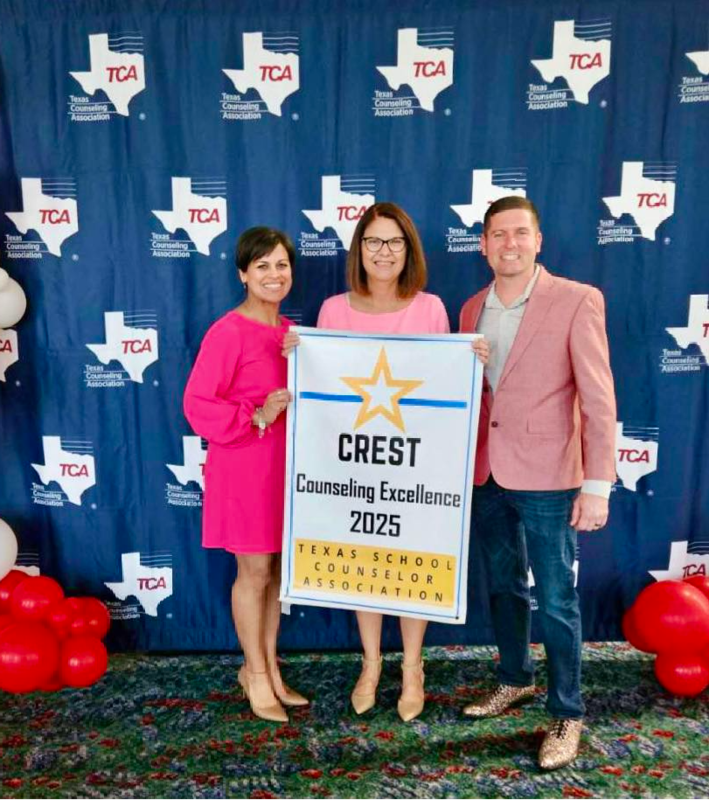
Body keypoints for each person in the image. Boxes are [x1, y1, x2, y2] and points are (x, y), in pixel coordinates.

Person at [311, 202, 487, 722]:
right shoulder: (331, 309)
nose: (383, 252)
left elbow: (443, 385)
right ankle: (371, 664)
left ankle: (413, 666)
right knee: (364, 561)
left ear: (408, 250)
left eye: (394, 243)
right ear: (358, 250)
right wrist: (300, 353)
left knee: (410, 559)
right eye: (373, 242)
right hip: (355, 463)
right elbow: (323, 387)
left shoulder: (431, 307)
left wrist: (469, 360)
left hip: (414, 461)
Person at [458, 196, 616, 770]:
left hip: (550, 475)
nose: (509, 244)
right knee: (503, 586)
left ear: (538, 241)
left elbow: (599, 399)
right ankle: (514, 678)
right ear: (483, 244)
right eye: (498, 235)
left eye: (520, 233)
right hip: (486, 472)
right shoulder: (471, 306)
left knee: (556, 597)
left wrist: (597, 482)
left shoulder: (576, 300)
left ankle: (566, 712)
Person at [183, 227, 306, 723]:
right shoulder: (228, 331)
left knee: (274, 572)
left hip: (284, 469)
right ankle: (253, 673)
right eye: (262, 266)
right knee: (252, 573)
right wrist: (255, 416)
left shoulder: (291, 333)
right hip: (245, 465)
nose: (274, 275)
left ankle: (268, 667)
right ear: (243, 274)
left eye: (281, 265)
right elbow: (196, 404)